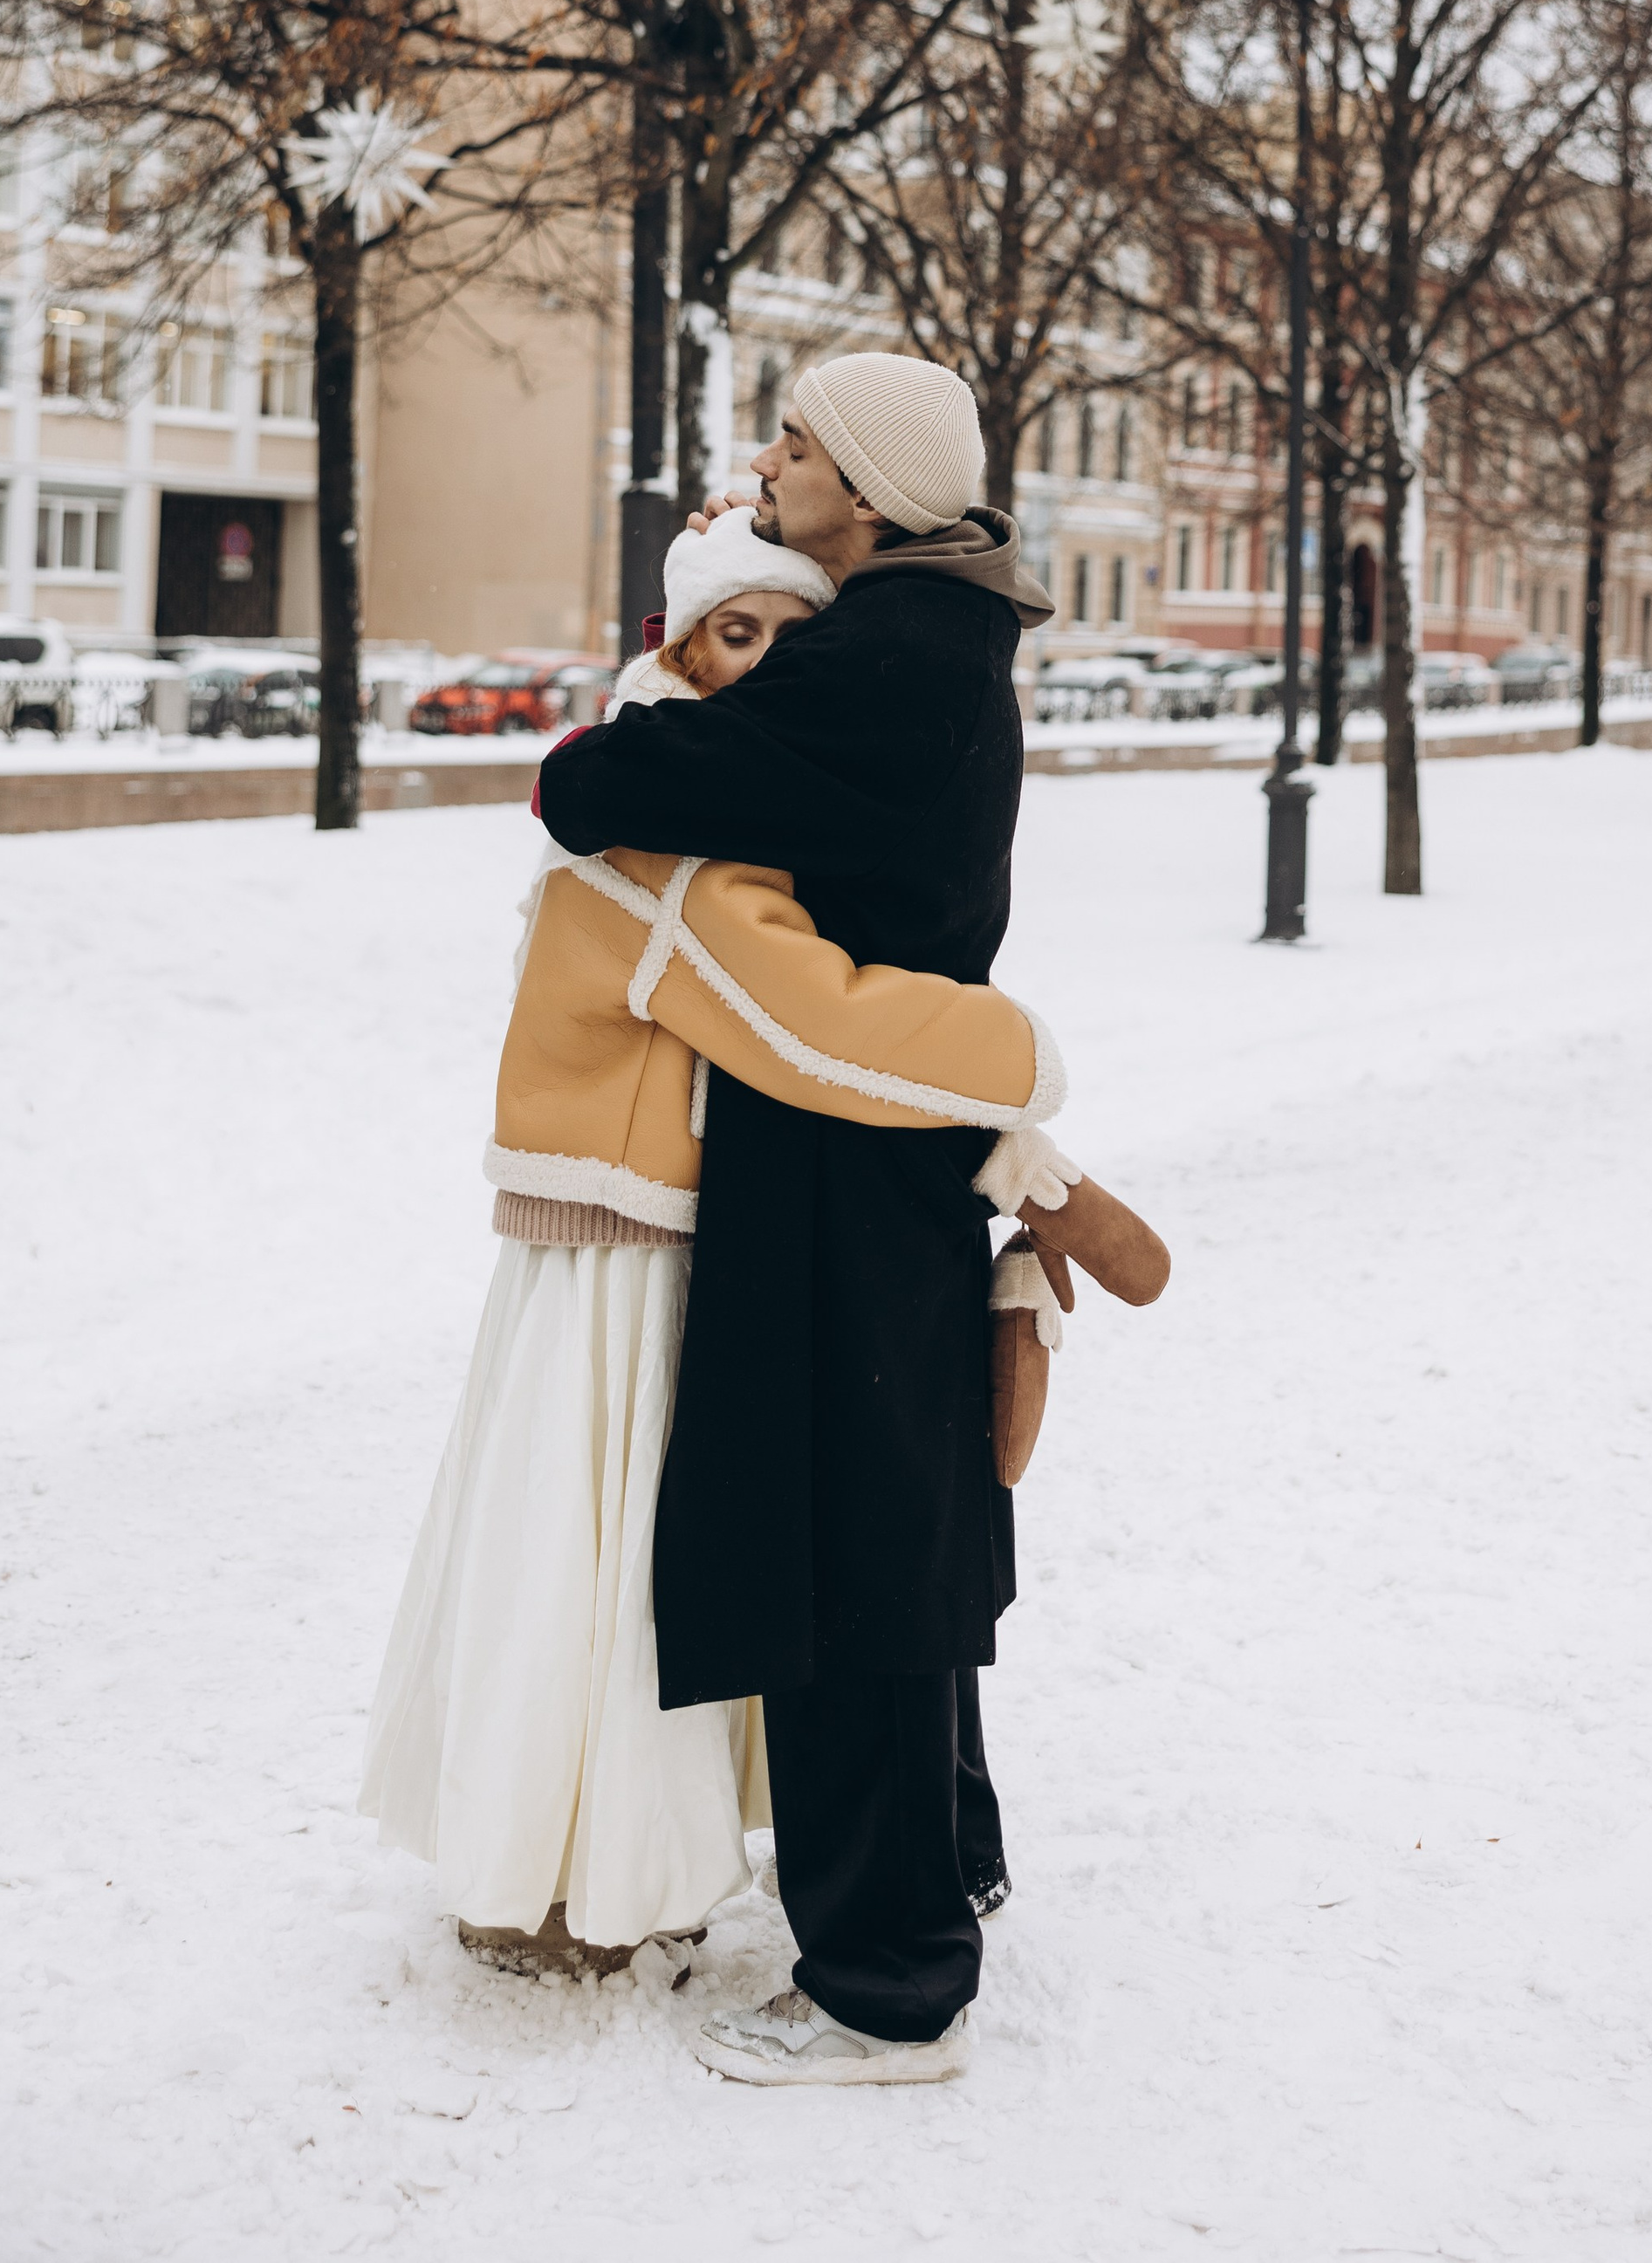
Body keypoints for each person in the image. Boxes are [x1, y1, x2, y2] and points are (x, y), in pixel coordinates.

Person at [358, 507, 1073, 1980]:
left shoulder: (677, 804)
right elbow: (819, 1025)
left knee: (566, 1558)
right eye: (733, 637)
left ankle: (544, 1858)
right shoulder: (681, 849)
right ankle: (581, 1873)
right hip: (630, 1252)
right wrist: (1023, 1060)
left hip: (584, 1236)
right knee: (609, 1576)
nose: (762, 669)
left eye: (784, 640)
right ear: (681, 654)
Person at [536, 352, 1076, 2087]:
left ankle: (885, 1985)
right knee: (898, 1520)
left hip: (841, 1143)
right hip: (895, 1135)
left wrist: (684, 649)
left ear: (868, 483)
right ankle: (948, 1868)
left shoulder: (880, 658)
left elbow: (599, 786)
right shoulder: (930, 636)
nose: (765, 464)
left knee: (842, 1548)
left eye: (794, 445)